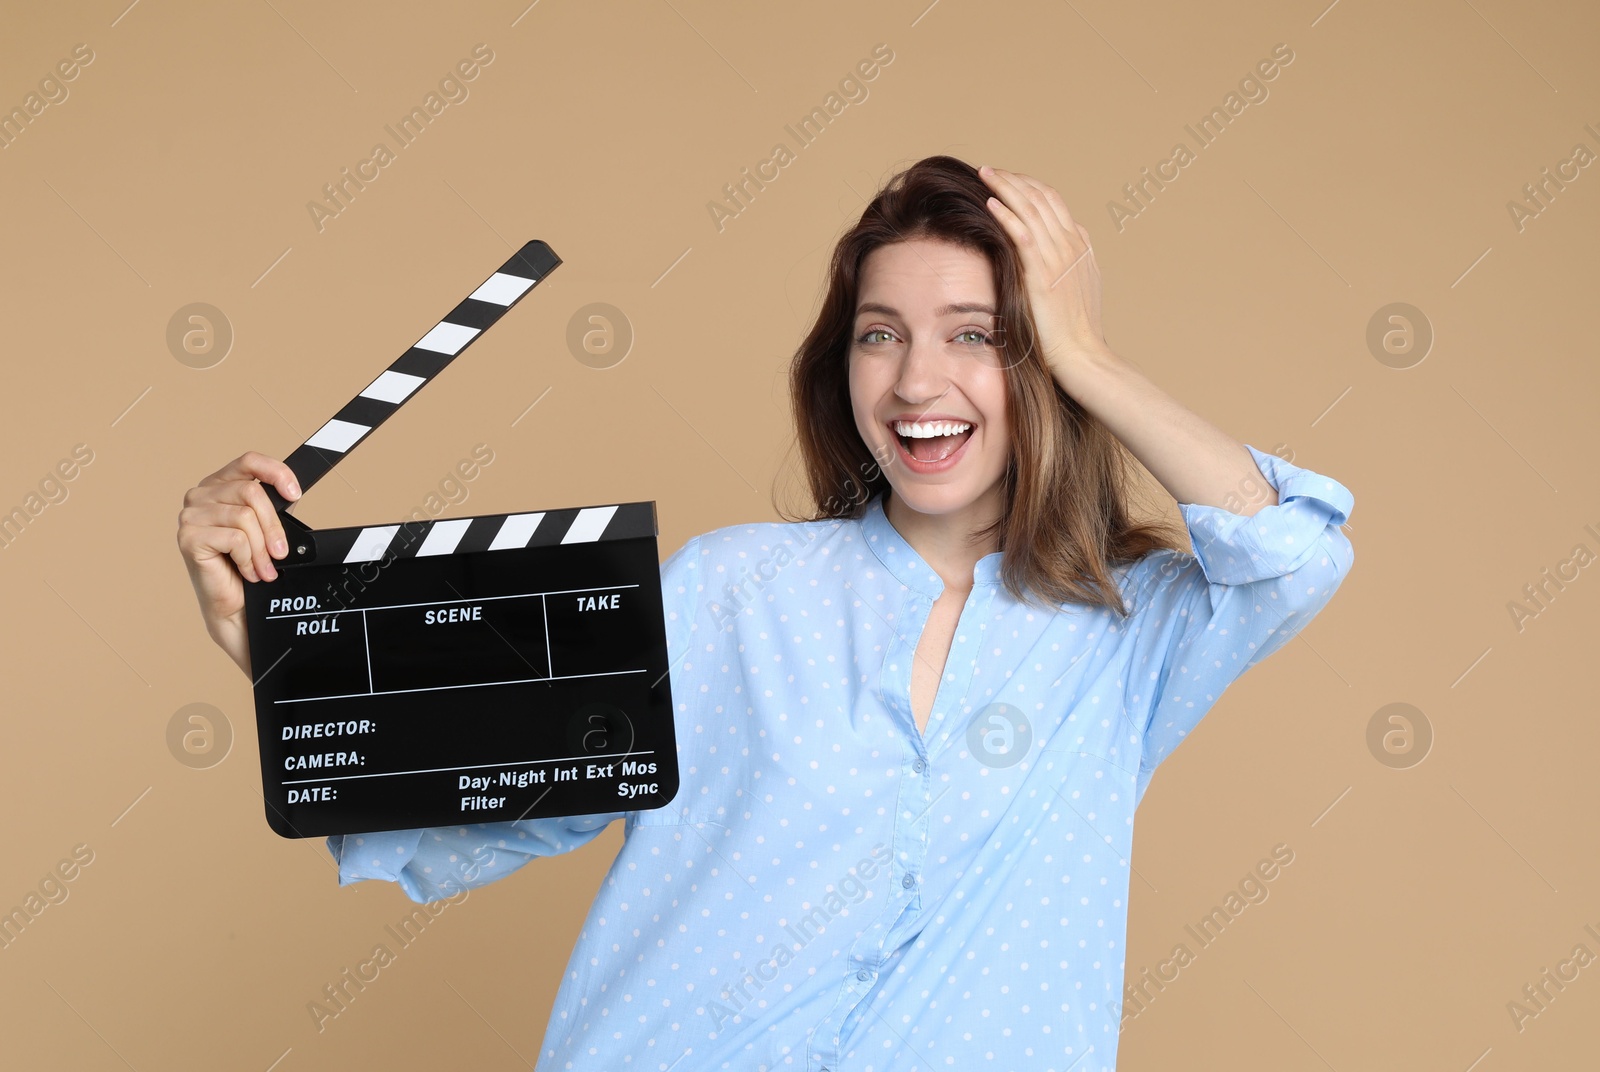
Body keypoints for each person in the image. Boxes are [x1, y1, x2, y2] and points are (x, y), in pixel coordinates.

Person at [177, 155, 1355, 1071]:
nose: (913, 381)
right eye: (878, 335)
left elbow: (1291, 551)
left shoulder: (1131, 630)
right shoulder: (726, 590)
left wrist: (1088, 350)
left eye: (976, 337)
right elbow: (476, 822)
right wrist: (274, 644)